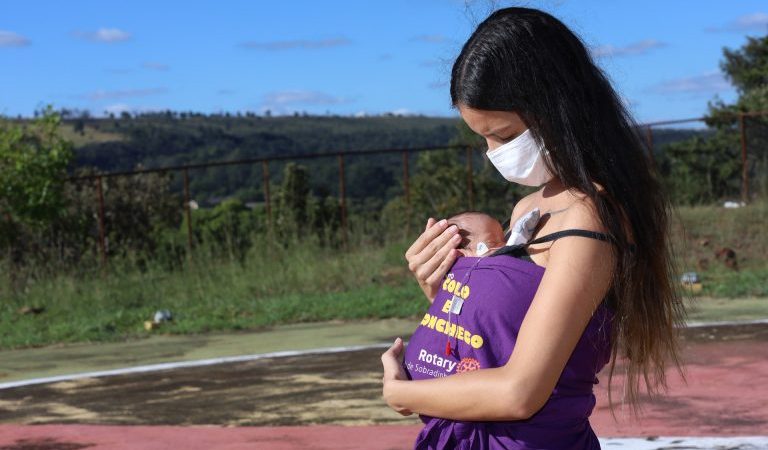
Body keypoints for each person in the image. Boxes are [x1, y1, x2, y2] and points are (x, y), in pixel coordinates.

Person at [380, 7, 684, 450]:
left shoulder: (590, 216)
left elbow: (521, 391)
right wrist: (446, 292)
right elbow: (494, 343)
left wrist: (400, 392)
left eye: (503, 136)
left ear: (557, 109)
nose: (492, 154)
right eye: (481, 138)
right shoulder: (530, 206)